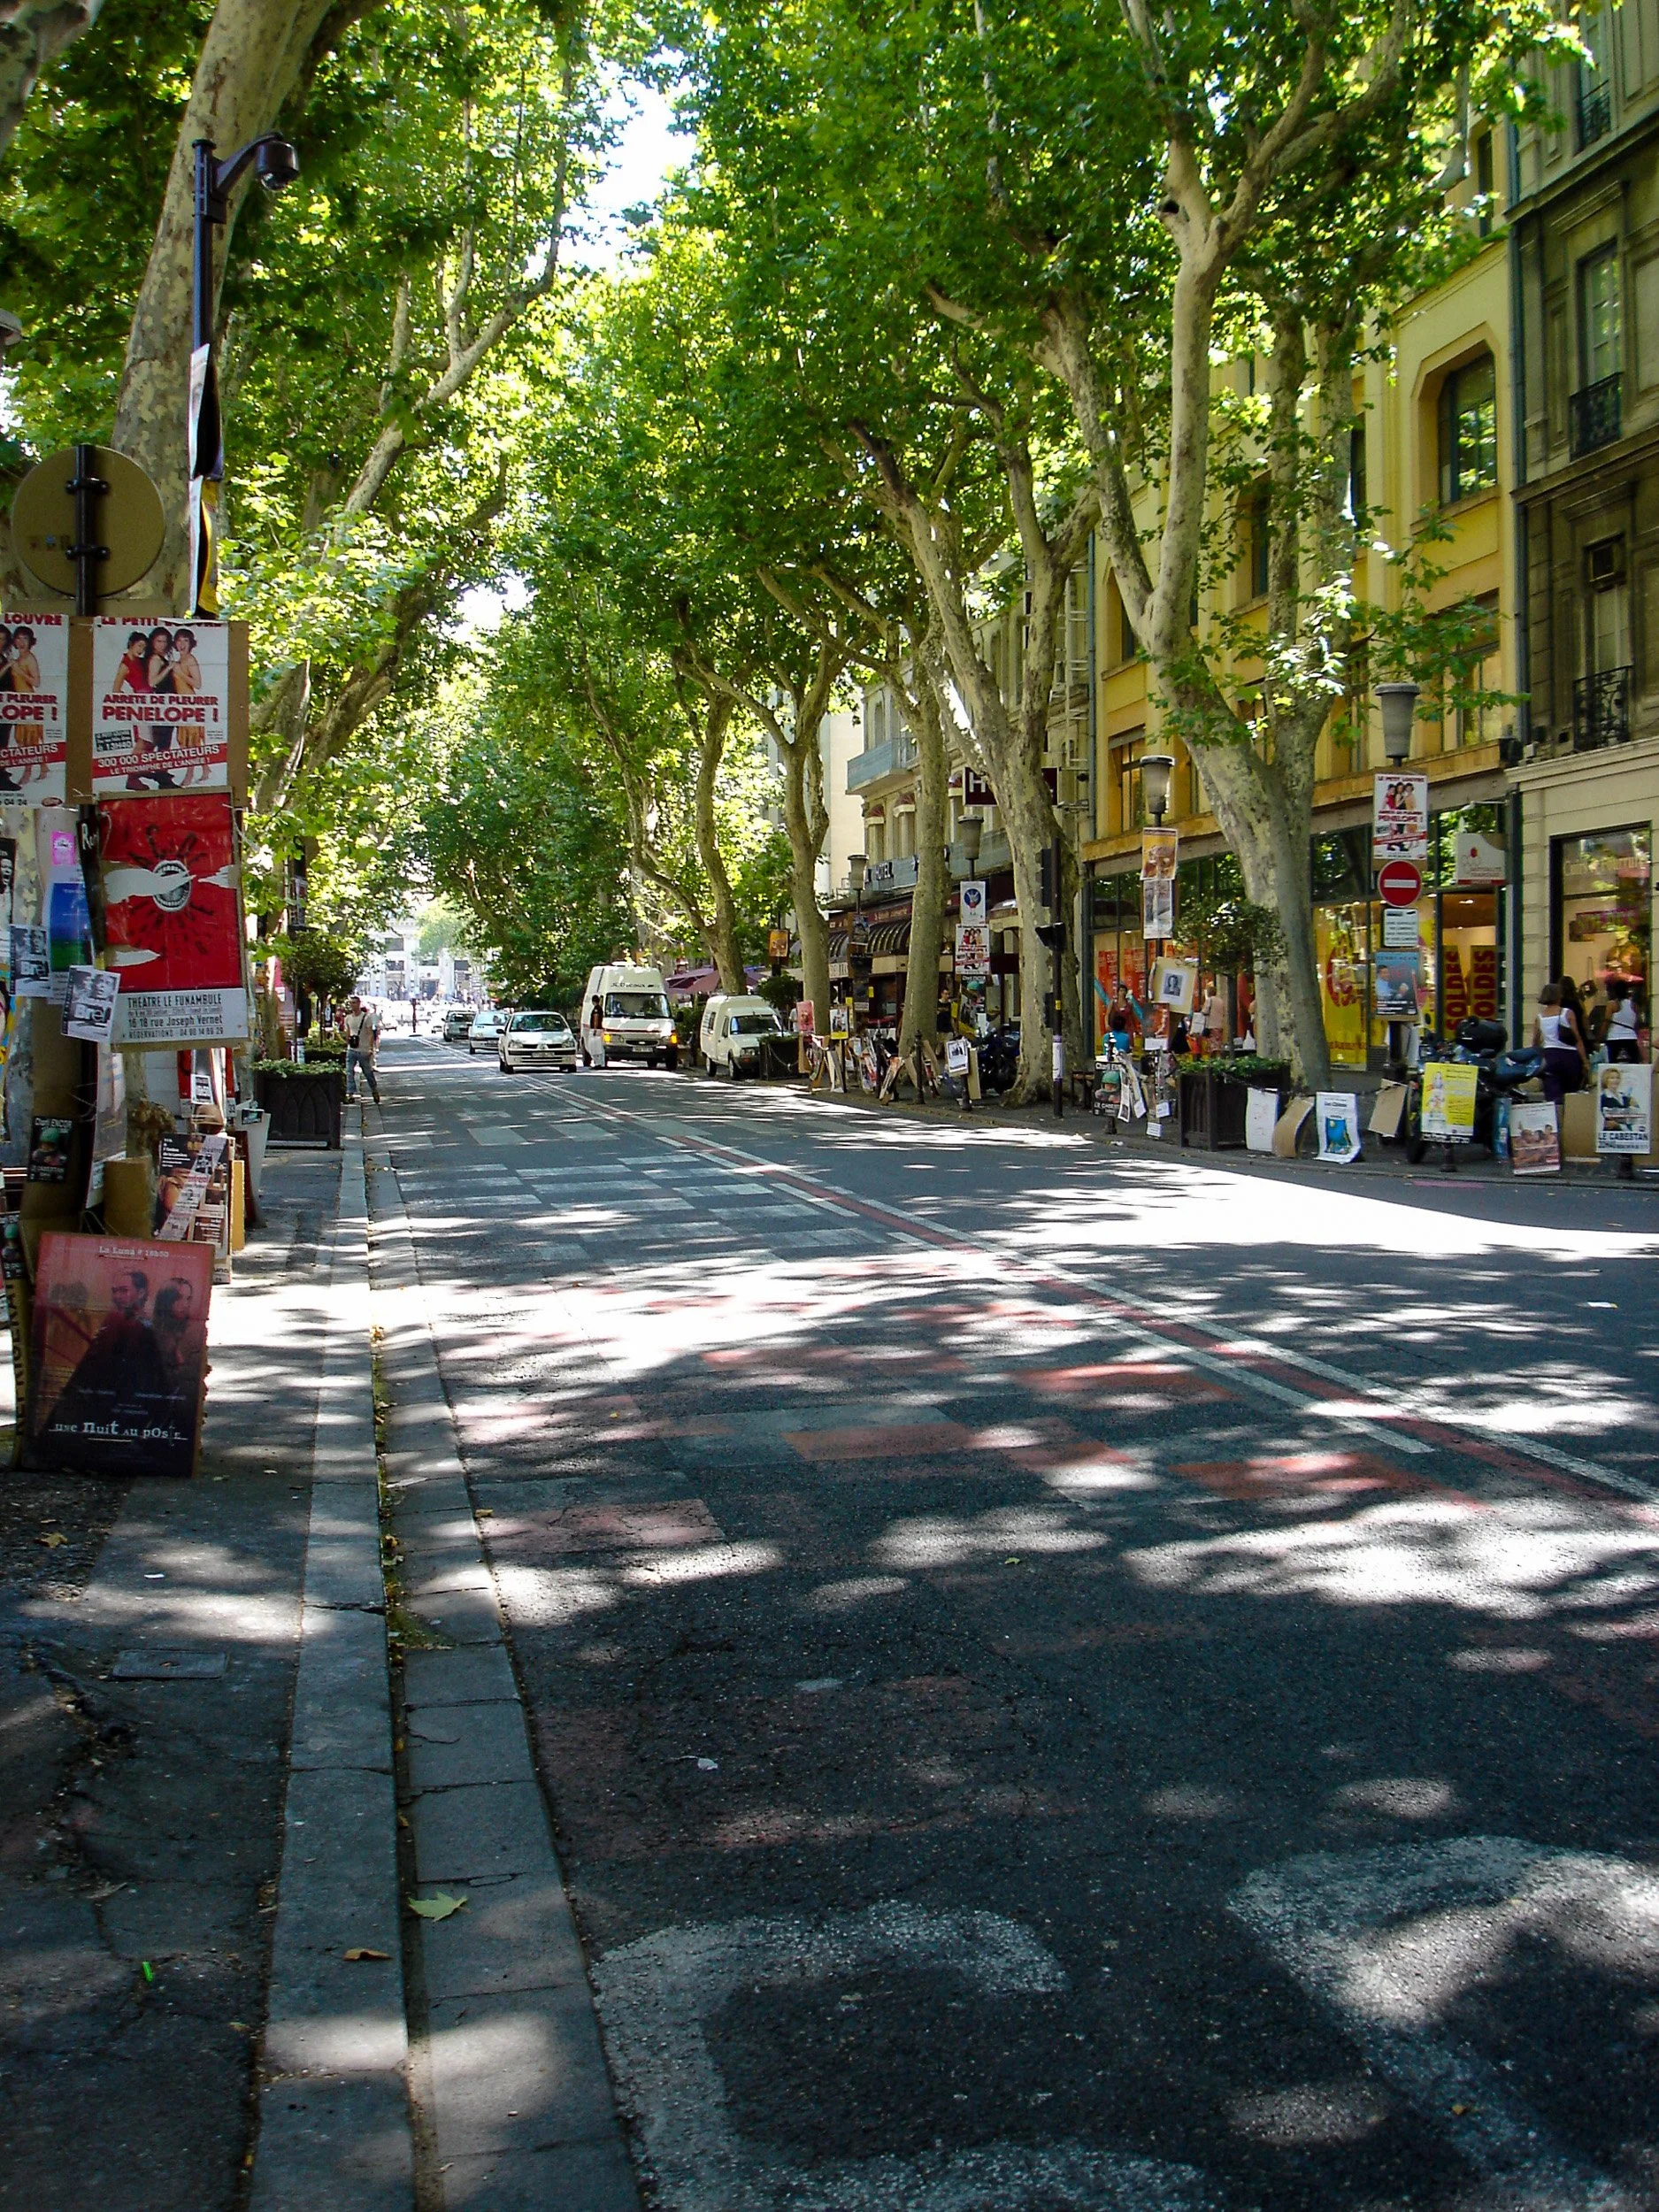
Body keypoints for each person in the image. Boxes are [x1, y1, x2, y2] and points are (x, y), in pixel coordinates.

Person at [1533, 983, 1587, 1103]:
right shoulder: (1567, 1013)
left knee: (1552, 1095)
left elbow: (1535, 1042)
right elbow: (1577, 1039)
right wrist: (1585, 1061)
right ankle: (1568, 1118)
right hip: (1569, 1056)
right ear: (1559, 996)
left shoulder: (1539, 1017)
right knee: (1570, 1094)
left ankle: (1555, 1118)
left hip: (1550, 1055)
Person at [345, 995, 381, 1103]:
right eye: (351, 1003)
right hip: (352, 1049)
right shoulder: (348, 1018)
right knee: (349, 1071)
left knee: (367, 1072)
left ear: (359, 1004)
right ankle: (350, 1093)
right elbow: (348, 1032)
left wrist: (371, 1049)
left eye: (355, 1003)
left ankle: (374, 1090)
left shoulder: (366, 1017)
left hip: (363, 1050)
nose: (353, 1005)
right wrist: (347, 1043)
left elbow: (370, 1033)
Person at [1604, 979, 1644, 1064]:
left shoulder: (1612, 1004)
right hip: (1631, 1038)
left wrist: (1601, 1036)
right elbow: (1637, 1023)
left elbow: (1606, 1022)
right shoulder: (1634, 1005)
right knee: (1633, 1064)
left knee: (1613, 1065)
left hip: (1614, 1038)